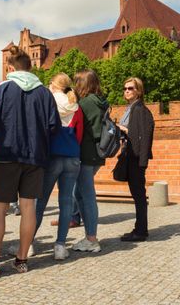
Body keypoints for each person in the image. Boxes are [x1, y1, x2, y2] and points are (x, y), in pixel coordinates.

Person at [0, 45, 60, 276]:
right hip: (35, 157)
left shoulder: (2, 88)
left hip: (7, 155)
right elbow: (53, 126)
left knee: (0, 209)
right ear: (31, 67)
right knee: (28, 208)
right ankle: (22, 260)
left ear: (10, 68)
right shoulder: (45, 92)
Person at [34, 73, 83, 260]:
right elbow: (79, 134)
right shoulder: (75, 105)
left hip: (52, 155)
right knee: (66, 203)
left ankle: (28, 244)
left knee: (40, 202)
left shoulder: (48, 100)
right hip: (72, 156)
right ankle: (60, 246)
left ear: (53, 85)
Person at [71, 69, 108, 253]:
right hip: (97, 154)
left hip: (86, 154)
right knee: (79, 193)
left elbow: (88, 130)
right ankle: (89, 235)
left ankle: (92, 238)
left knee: (87, 195)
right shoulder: (101, 101)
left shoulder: (85, 103)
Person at [118, 77, 155, 242]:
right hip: (130, 155)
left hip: (137, 158)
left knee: (139, 195)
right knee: (136, 194)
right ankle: (139, 228)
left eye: (130, 88)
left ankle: (141, 231)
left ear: (138, 90)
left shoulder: (141, 110)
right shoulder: (131, 109)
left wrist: (143, 162)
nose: (127, 91)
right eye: (125, 88)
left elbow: (145, 137)